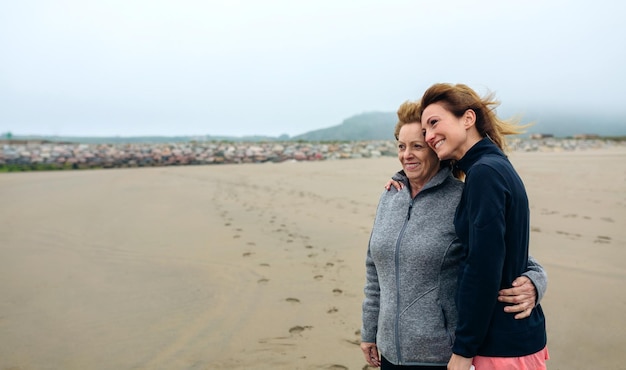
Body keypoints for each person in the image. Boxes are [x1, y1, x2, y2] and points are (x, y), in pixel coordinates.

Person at [360, 100, 547, 369]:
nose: (406, 155)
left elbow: (508, 254)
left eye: (417, 146)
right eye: (401, 146)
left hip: (440, 356)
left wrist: (534, 282)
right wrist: (369, 331)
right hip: (388, 352)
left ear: (436, 149)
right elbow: (373, 270)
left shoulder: (461, 197)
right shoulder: (390, 196)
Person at [419, 83, 548, 370]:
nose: (428, 136)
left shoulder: (484, 174)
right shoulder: (494, 165)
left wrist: (464, 350)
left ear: (467, 119)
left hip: (500, 345)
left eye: (434, 123)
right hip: (517, 337)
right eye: (424, 130)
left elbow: (482, 266)